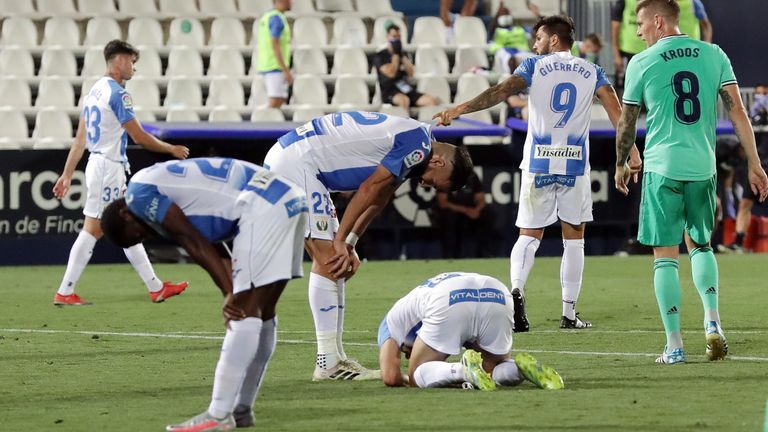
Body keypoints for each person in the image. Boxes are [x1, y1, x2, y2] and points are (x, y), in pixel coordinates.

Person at [433, 16, 642, 332]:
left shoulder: (533, 66)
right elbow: (620, 117)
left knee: (528, 237)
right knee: (574, 240)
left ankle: (517, 289)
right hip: (574, 166)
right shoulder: (593, 71)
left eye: (539, 38)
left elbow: (500, 92)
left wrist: (459, 110)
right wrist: (630, 155)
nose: (534, 45)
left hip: (538, 163)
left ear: (554, 40)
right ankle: (569, 314)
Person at [100, 158, 308, 431]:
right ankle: (242, 409)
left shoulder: (137, 196)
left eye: (136, 235)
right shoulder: (154, 184)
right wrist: (232, 286)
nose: (144, 237)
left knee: (243, 312)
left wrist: (230, 292)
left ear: (125, 214)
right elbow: (212, 240)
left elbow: (193, 241)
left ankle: (219, 415)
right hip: (290, 199)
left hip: (262, 207)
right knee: (263, 310)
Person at [263, 111, 474, 380]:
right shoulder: (417, 147)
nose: (425, 184)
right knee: (330, 260)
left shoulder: (419, 142)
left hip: (303, 164)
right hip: (297, 164)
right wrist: (338, 242)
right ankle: (328, 363)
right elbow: (368, 189)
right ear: (439, 162)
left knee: (337, 263)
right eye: (433, 182)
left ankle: (333, 359)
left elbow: (379, 197)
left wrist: (349, 242)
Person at [614, 0, 768, 364]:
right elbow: (737, 111)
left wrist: (621, 161)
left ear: (658, 22)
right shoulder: (714, 54)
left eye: (639, 24)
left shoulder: (642, 62)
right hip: (703, 167)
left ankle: (675, 345)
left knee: (664, 257)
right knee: (701, 246)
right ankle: (713, 324)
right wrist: (755, 164)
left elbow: (626, 122)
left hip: (663, 168)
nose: (637, 33)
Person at [52, 40, 189, 306]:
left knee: (126, 223)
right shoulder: (117, 94)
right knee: (94, 229)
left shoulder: (94, 92)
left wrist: (67, 174)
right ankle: (65, 291)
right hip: (108, 167)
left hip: (100, 164)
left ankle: (156, 287)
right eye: (131, 62)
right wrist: (170, 149)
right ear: (119, 61)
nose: (133, 68)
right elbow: (138, 135)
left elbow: (80, 140)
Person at [377, 272, 564, 391]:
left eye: (405, 353)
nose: (407, 356)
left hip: (448, 298)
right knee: (492, 371)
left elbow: (391, 377)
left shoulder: (390, 323)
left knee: (416, 376)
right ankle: (519, 369)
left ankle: (464, 371)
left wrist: (408, 377)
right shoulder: (413, 305)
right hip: (497, 292)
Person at [611, 0, 711, 90]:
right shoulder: (657, 5)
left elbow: (706, 25)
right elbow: (615, 27)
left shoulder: (692, 3)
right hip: (634, 50)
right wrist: (616, 54)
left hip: (685, 51)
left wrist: (706, 45)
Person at [372, 22, 439, 111]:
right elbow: (391, 73)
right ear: (388, 37)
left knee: (431, 101)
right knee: (404, 100)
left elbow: (411, 73)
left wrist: (402, 56)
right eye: (394, 36)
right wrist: (395, 55)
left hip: (406, 89)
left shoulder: (404, 54)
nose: (397, 39)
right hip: (389, 91)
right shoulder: (380, 55)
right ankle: (405, 124)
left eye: (399, 37)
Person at [432, 173, 496, 258]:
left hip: (470, 212)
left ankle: (485, 253)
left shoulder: (472, 176)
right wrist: (465, 210)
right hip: (454, 211)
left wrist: (476, 210)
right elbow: (443, 203)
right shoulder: (445, 175)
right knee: (449, 217)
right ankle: (450, 255)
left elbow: (481, 199)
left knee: (487, 214)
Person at [256, 0, 292, 108]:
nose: (291, 2)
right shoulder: (276, 19)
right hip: (275, 66)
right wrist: (285, 70)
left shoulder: (267, 16)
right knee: (275, 101)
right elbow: (275, 44)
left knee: (278, 100)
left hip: (267, 64)